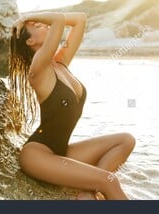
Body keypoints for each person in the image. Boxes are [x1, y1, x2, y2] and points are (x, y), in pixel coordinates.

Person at [9, 12, 135, 200]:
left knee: (126, 140)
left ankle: (88, 192)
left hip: (62, 152)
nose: (43, 25)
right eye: (36, 26)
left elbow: (81, 19)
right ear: (30, 42)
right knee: (109, 181)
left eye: (41, 23)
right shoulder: (38, 68)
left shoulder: (60, 62)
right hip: (37, 156)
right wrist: (30, 16)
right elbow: (58, 20)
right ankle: (99, 185)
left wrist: (30, 18)